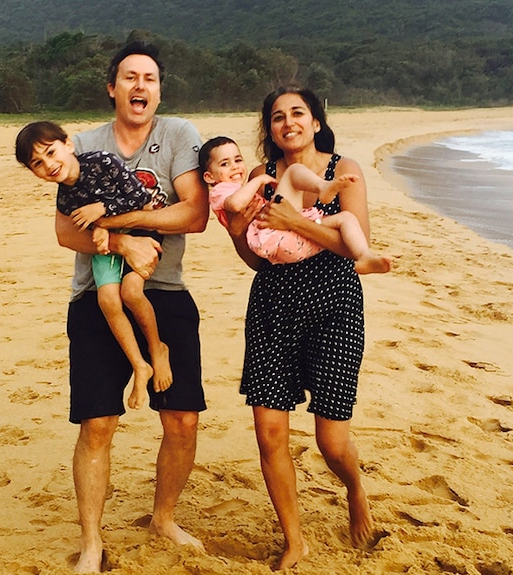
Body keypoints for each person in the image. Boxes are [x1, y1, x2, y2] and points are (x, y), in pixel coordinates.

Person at [53, 40, 208, 573]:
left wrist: (112, 226)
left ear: (159, 90)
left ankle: (163, 516)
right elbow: (62, 231)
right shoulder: (83, 143)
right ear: (112, 88)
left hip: (165, 287)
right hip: (94, 295)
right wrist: (123, 245)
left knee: (182, 419)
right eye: (130, 77)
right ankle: (93, 542)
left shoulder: (179, 136)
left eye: (150, 79)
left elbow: (193, 215)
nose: (140, 86)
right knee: (97, 423)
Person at [222, 87, 377, 570]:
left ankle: (354, 488)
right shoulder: (259, 178)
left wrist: (295, 220)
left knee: (331, 441)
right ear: (269, 129)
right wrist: (235, 236)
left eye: (297, 114)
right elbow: (256, 256)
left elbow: (358, 247)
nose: (287, 123)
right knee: (270, 434)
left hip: (336, 307)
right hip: (273, 306)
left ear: (315, 122)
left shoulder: (343, 170)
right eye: (276, 117)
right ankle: (295, 540)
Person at [15, 120, 173, 410]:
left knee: (131, 292)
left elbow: (139, 196)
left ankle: (156, 347)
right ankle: (140, 365)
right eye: (37, 163)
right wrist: (101, 230)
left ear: (68, 144)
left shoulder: (102, 161)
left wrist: (102, 212)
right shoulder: (65, 198)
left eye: (51, 152)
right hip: (108, 247)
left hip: (140, 232)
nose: (48, 164)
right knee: (107, 300)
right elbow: (74, 233)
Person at [199, 136, 391, 273]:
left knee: (345, 219)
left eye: (238, 160)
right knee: (293, 173)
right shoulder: (221, 190)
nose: (234, 166)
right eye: (225, 164)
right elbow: (234, 204)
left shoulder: (343, 165)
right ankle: (323, 187)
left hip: (284, 239)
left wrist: (295, 221)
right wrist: (258, 181)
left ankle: (365, 256)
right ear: (209, 177)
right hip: (270, 236)